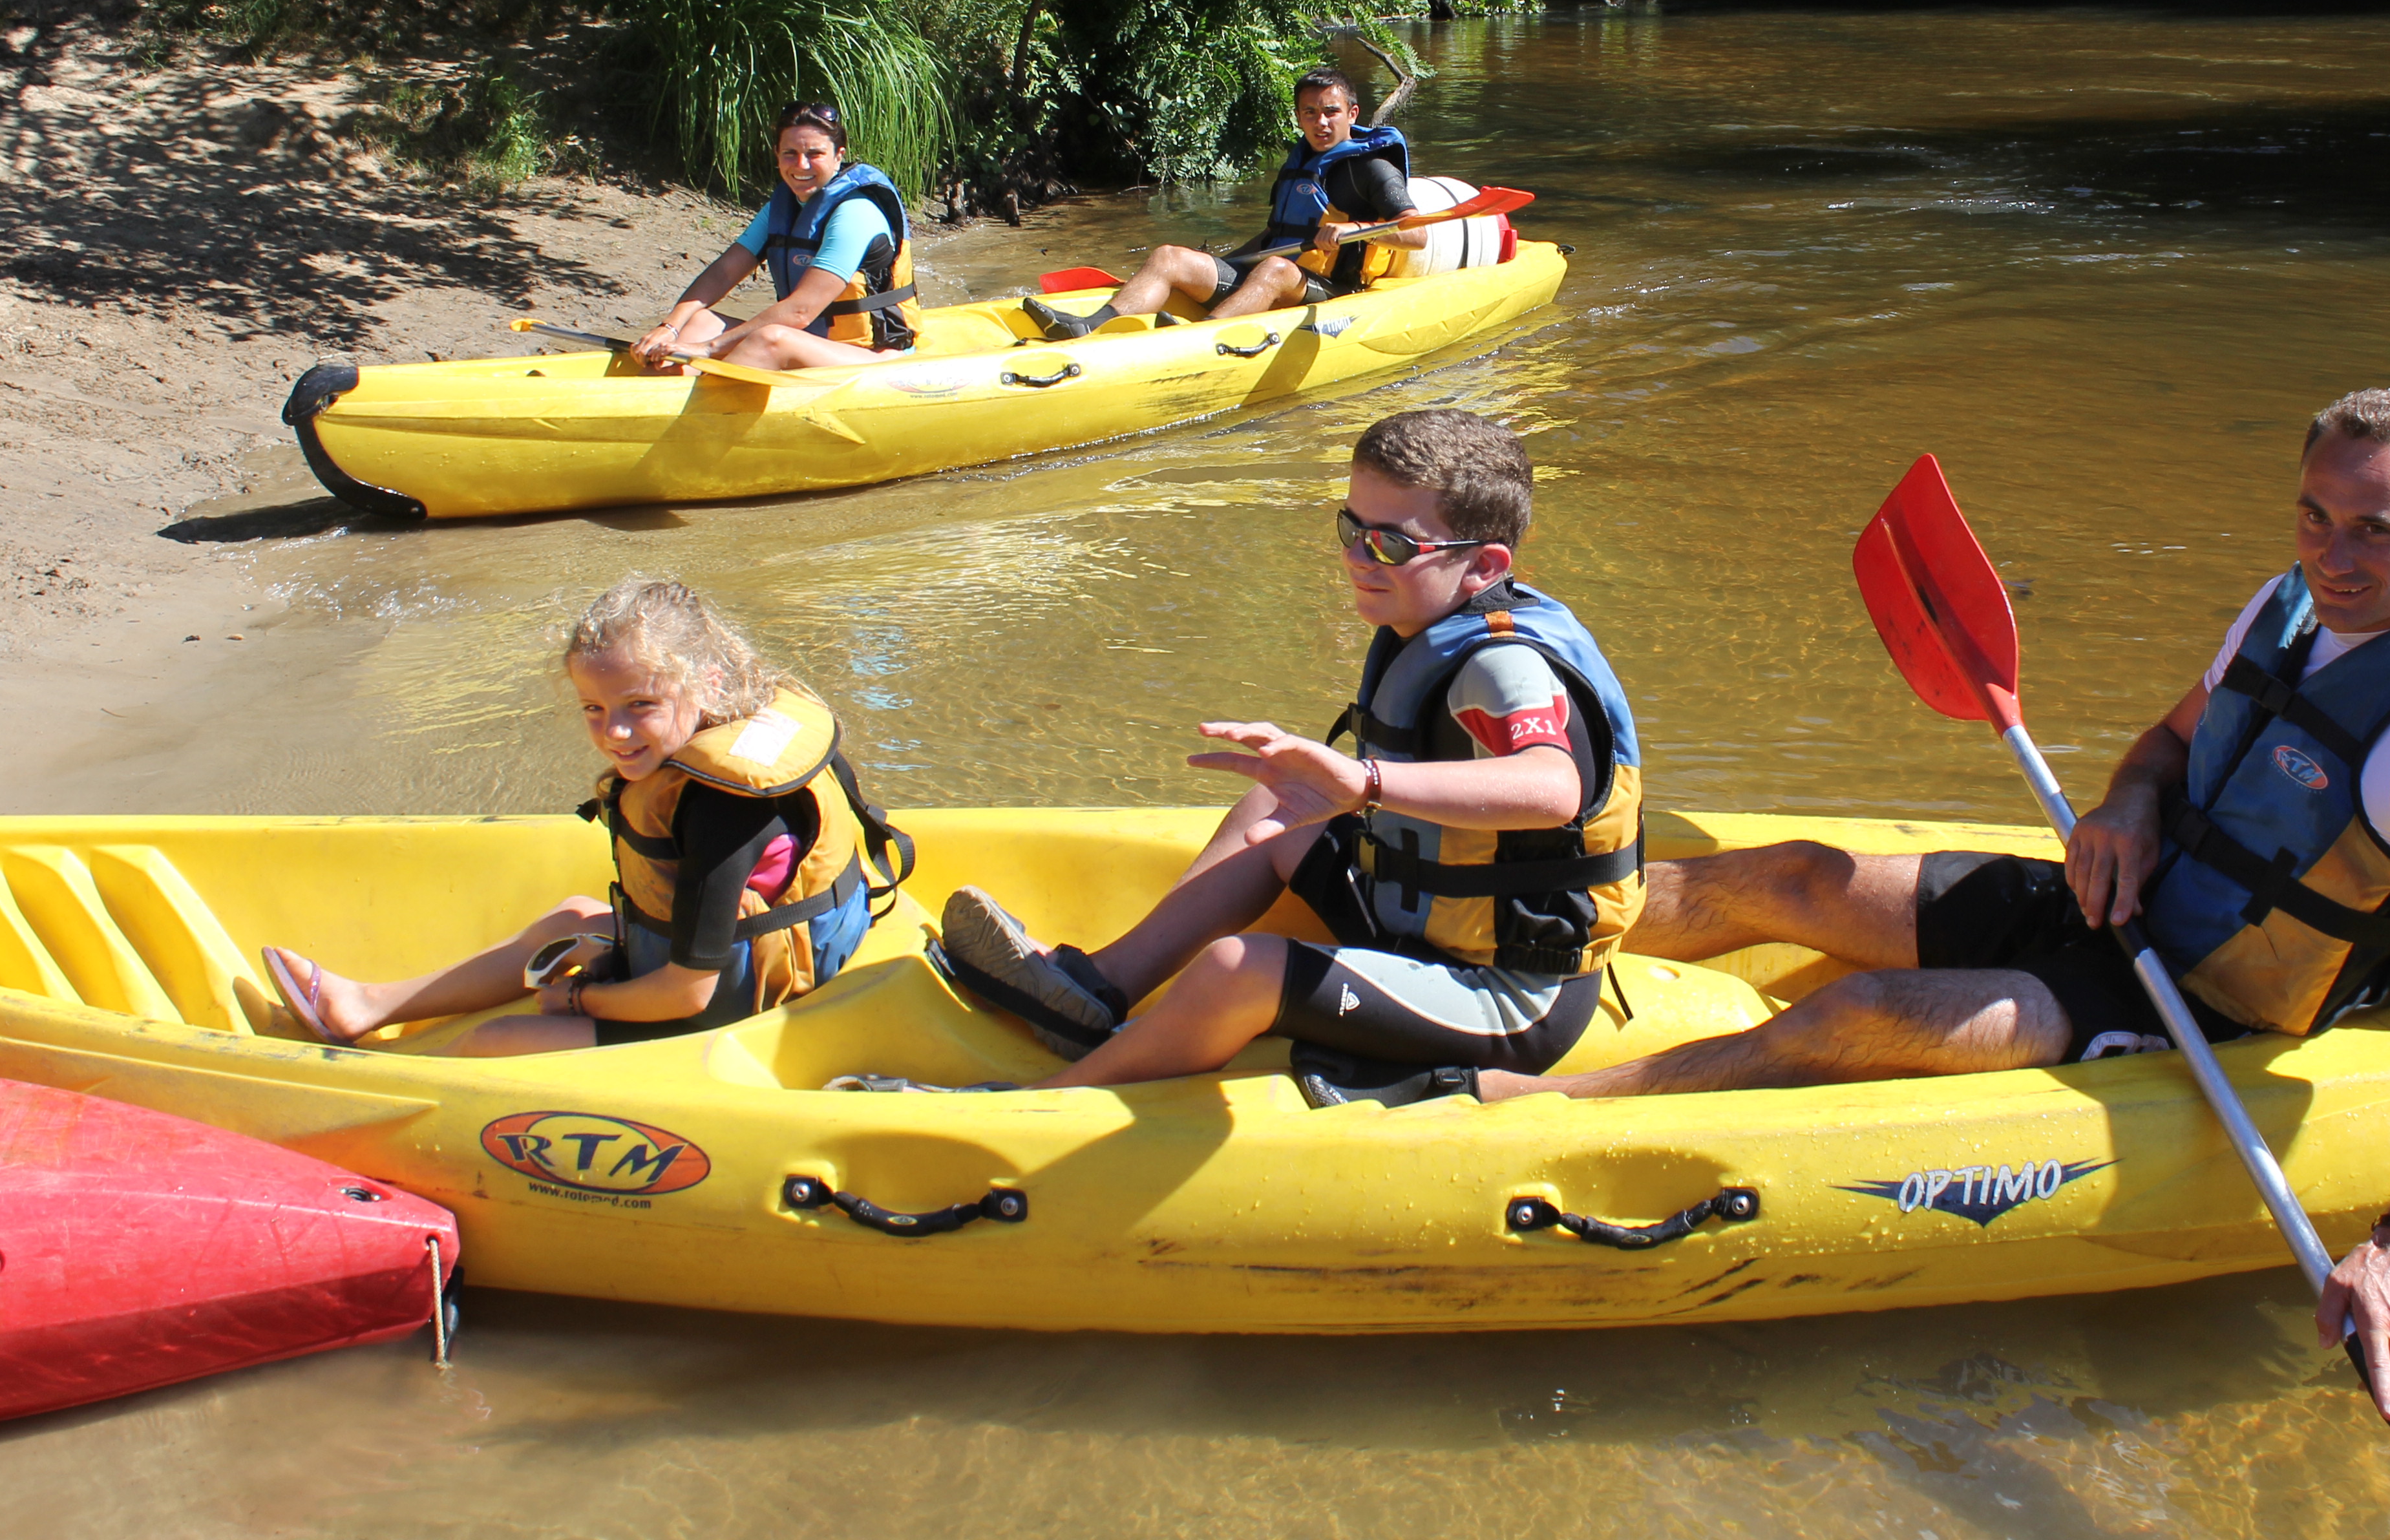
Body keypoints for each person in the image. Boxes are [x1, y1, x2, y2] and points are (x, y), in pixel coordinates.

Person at [1483, 388, 2390, 1420]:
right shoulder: (2285, 604)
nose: (2332, 554)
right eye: (2313, 516)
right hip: (2113, 895)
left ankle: (1567, 1109)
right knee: (1794, 874)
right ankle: (1473, 940)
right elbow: (2169, 744)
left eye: (2373, 530)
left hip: (2209, 997)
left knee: (1863, 1013)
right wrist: (2124, 806)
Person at [933, 408, 1645, 1088]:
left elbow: (1554, 790)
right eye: (1349, 527)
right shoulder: (1428, 616)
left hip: (1510, 994)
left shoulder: (1502, 664)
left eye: (1391, 544)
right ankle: (1095, 991)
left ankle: (1052, 1099)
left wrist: (1364, 783)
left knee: (1238, 969)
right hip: (1424, 928)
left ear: (1485, 565)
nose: (1358, 557)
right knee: (1277, 804)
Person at [259, 576, 907, 1056]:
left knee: (497, 1040)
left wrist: (575, 999)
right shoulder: (743, 723)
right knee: (571, 919)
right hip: (790, 949)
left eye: (640, 705)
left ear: (708, 683)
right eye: (593, 709)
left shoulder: (721, 805)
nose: (615, 731)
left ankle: (376, 1082)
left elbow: (687, 995)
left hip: (742, 1001)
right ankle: (366, 1007)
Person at [1025, 68, 1415, 339]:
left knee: (1275, 269)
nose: (1321, 122)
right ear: (1299, 117)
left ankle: (1199, 339)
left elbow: (1417, 234)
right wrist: (1223, 263)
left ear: (1352, 113)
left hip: (1330, 289)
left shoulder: (1373, 168)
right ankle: (1091, 327)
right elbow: (1275, 233)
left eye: (1331, 111)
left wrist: (1357, 230)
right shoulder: (1299, 164)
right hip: (1271, 272)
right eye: (1310, 113)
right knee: (1168, 257)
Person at [631, 102, 922, 369]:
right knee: (696, 322)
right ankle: (665, 399)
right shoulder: (782, 209)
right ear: (777, 155)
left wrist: (708, 349)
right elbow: (723, 273)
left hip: (875, 355)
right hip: (809, 341)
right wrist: (668, 329)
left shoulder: (856, 213)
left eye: (815, 154)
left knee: (769, 339)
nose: (801, 165)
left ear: (838, 156)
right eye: (790, 153)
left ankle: (703, 409)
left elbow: (801, 312)